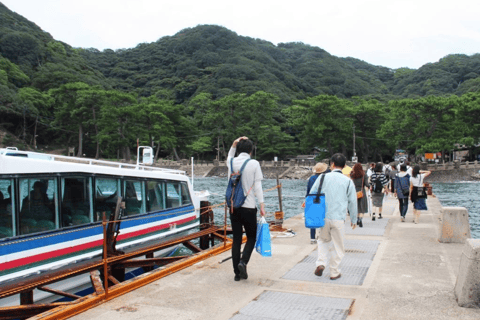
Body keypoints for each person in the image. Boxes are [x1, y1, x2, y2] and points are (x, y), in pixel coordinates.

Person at [310, 153, 357, 280]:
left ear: (332, 164)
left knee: (322, 241)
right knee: (338, 245)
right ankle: (334, 272)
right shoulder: (348, 181)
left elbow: (312, 193)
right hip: (339, 217)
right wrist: (354, 219)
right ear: (344, 166)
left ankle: (321, 263)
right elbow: (353, 201)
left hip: (323, 216)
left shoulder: (322, 177)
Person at [227, 136, 266, 282]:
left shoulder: (231, 162)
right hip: (249, 206)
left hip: (233, 206)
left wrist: (234, 143)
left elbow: (230, 154)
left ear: (237, 149)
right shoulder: (254, 163)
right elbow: (258, 186)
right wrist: (261, 205)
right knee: (251, 237)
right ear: (251, 150)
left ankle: (237, 273)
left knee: (236, 239)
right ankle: (243, 262)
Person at [304, 162, 329, 244]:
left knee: (312, 217)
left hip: (311, 198)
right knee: (323, 216)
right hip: (322, 198)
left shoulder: (311, 178)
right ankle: (322, 235)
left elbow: (308, 190)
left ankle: (312, 238)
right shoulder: (325, 178)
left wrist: (306, 199)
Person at [350, 163, 369, 228]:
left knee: (356, 205)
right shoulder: (364, 175)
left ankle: (357, 218)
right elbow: (367, 184)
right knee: (362, 206)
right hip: (361, 192)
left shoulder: (352, 174)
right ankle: (360, 219)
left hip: (354, 191)